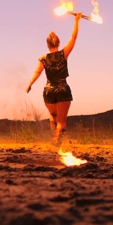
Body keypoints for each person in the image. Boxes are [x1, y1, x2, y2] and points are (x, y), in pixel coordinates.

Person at [26, 12, 81, 147]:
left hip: (49, 90)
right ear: (59, 43)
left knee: (53, 117)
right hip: (62, 89)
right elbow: (73, 37)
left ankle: (54, 139)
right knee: (61, 122)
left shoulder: (43, 58)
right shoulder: (64, 54)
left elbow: (37, 72)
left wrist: (30, 84)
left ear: (47, 45)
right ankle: (58, 142)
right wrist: (77, 20)